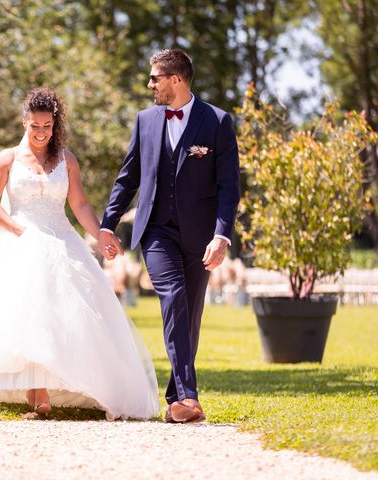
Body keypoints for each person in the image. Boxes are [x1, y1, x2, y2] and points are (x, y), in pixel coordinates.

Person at [0, 87, 160, 421]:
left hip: (61, 240)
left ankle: (73, 387)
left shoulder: (66, 159)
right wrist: (16, 228)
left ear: (55, 124)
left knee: (63, 314)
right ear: (24, 121)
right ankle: (38, 395)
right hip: (18, 238)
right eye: (35, 126)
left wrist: (102, 233)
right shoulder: (7, 158)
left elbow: (78, 203)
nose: (41, 132)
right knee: (26, 313)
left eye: (47, 126)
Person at [98, 49, 240, 423]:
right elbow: (128, 177)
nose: (150, 85)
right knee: (173, 296)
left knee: (190, 313)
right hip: (157, 232)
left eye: (155, 78)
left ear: (175, 79)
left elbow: (229, 187)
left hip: (201, 236)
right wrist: (107, 223)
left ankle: (176, 398)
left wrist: (222, 236)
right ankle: (190, 396)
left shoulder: (218, 122)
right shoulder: (145, 121)